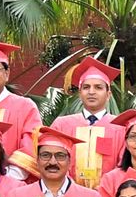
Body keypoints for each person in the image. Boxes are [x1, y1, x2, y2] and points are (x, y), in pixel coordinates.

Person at [49, 55, 125, 190]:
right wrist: (70, 187)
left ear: (108, 94)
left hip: (108, 195)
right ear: (80, 93)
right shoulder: (61, 125)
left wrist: (105, 187)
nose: (91, 92)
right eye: (86, 87)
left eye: (98, 87)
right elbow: (52, 160)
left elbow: (124, 165)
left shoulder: (120, 127)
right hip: (68, 194)